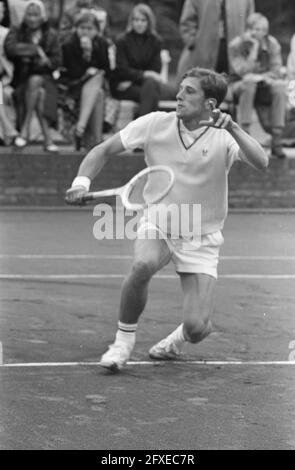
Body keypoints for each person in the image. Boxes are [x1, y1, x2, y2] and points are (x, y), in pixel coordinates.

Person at [65, 66, 268, 372]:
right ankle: (122, 343)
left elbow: (262, 162)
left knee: (198, 328)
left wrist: (234, 128)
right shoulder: (154, 124)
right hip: (159, 220)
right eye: (180, 88)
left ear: (210, 104)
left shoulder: (223, 137)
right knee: (143, 264)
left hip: (202, 233)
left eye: (189, 91)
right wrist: (81, 183)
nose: (179, 95)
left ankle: (177, 340)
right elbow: (104, 150)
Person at [4, 0, 62, 151]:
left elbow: (56, 61)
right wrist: (35, 50)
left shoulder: (51, 34)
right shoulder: (17, 31)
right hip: (22, 79)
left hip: (47, 80)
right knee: (38, 92)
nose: (32, 18)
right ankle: (47, 139)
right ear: (24, 16)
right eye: (29, 14)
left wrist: (45, 61)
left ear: (42, 16)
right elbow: (11, 49)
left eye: (36, 15)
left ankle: (24, 130)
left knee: (38, 84)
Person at [228, 13, 287, 159]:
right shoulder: (235, 45)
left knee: (280, 87)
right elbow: (241, 72)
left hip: (264, 85)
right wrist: (254, 50)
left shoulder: (273, 44)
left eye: (263, 30)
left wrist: (260, 77)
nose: (259, 33)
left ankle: (277, 139)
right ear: (248, 30)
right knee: (249, 84)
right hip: (239, 86)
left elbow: (276, 70)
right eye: (255, 29)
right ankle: (245, 135)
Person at [60, 11, 110, 150]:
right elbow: (73, 72)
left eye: (89, 29)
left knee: (98, 86)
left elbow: (107, 70)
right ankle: (97, 140)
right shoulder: (69, 44)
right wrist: (86, 55)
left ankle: (80, 130)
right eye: (82, 28)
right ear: (76, 28)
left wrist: (92, 52)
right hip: (74, 87)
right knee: (97, 83)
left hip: (96, 88)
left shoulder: (102, 43)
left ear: (96, 30)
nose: (85, 32)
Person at [177, 0, 255, 85]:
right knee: (204, 85)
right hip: (204, 50)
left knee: (231, 88)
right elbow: (188, 21)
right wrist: (192, 42)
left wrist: (246, 45)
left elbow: (251, 22)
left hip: (235, 53)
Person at [112, 3, 164, 117]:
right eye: (136, 20)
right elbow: (122, 70)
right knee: (151, 93)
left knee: (151, 88)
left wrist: (136, 78)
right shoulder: (122, 40)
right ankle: (146, 129)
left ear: (148, 22)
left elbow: (155, 69)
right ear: (131, 21)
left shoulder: (155, 41)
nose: (139, 23)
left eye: (143, 20)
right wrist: (145, 74)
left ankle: (140, 127)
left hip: (141, 84)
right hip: (124, 86)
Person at [0, 0, 19, 145]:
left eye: (1, 11)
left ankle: (7, 130)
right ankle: (8, 128)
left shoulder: (7, 34)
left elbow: (12, 57)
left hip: (4, 79)